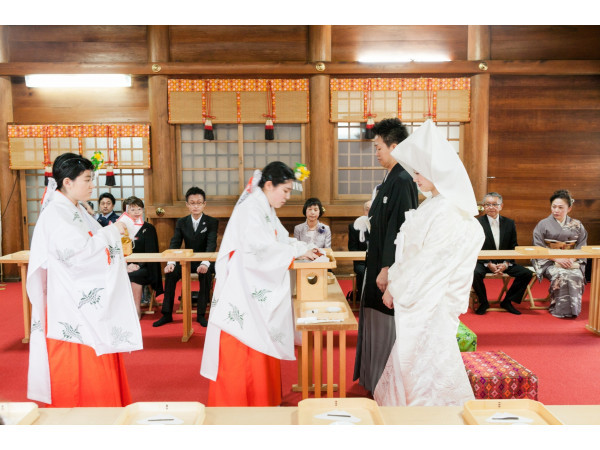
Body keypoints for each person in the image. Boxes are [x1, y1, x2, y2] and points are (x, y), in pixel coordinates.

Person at [374, 119, 484, 406]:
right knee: (413, 361)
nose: (416, 177)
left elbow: (429, 263)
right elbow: (414, 256)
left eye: (421, 171)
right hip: (419, 295)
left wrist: (396, 287)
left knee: (425, 365)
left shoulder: (447, 209)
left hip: (430, 300)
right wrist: (396, 282)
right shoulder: (434, 204)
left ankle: (426, 419)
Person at [26, 152, 142, 407]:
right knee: (83, 363)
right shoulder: (57, 212)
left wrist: (112, 234)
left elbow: (90, 243)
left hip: (80, 296)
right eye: (87, 179)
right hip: (71, 302)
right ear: (67, 182)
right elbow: (77, 255)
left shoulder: (74, 209)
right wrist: (113, 232)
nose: (92, 185)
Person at [200, 161, 319, 406]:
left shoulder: (264, 208)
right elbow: (260, 248)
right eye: (285, 190)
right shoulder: (251, 209)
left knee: (260, 336)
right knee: (243, 338)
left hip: (252, 283)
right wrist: (294, 253)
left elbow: (280, 239)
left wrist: (302, 249)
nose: (287, 196)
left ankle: (262, 399)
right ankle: (238, 404)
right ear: (268, 185)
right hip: (242, 287)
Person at [353, 118, 419, 394]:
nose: (376, 152)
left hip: (385, 267)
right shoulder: (390, 177)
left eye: (379, 147)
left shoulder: (403, 180)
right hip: (375, 261)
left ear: (394, 146)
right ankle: (371, 378)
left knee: (384, 322)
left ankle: (383, 383)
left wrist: (387, 269)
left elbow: (401, 230)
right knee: (370, 316)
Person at [153, 187, 218, 327]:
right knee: (170, 273)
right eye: (192, 203)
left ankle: (201, 314)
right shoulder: (182, 222)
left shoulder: (212, 222)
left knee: (206, 275)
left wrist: (205, 263)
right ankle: (167, 314)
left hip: (204, 260)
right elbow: (175, 243)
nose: (196, 206)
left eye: (199, 202)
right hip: (187, 260)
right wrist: (171, 261)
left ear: (204, 204)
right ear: (187, 205)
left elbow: (211, 245)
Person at [473, 192, 533, 315]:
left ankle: (508, 301)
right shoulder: (477, 223)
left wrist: (506, 263)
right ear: (484, 206)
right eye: (488, 204)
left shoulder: (509, 223)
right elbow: (473, 247)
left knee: (526, 274)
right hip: (483, 262)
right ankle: (483, 302)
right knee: (474, 272)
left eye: (495, 204)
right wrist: (488, 263)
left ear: (501, 206)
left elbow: (513, 246)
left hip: (504, 262)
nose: (491, 207)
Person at [532, 189, 588, 318]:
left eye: (560, 207)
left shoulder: (577, 225)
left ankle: (573, 310)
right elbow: (538, 247)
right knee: (561, 274)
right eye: (554, 206)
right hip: (549, 260)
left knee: (576, 275)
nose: (556, 210)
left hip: (571, 260)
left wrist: (572, 258)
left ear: (569, 209)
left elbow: (582, 246)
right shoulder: (543, 224)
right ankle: (559, 310)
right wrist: (557, 258)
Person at [123, 196, 164, 319]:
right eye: (132, 209)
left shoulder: (148, 228)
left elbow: (151, 253)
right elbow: (116, 251)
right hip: (124, 265)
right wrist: (126, 266)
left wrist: (137, 265)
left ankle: (136, 308)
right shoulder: (120, 228)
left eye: (139, 209)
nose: (136, 212)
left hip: (145, 267)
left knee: (135, 274)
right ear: (126, 211)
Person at [348, 200, 371, 299]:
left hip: (376, 260)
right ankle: (363, 298)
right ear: (364, 211)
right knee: (362, 271)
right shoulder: (355, 227)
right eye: (367, 210)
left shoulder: (381, 225)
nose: (369, 212)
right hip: (361, 262)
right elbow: (352, 248)